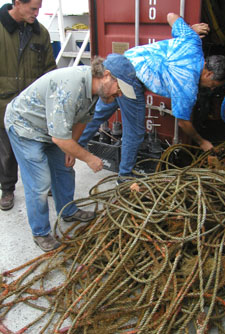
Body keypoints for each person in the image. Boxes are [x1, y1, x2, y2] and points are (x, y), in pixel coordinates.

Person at [78, 13, 225, 184]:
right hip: (130, 78)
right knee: (135, 132)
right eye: (214, 84)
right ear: (209, 73)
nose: (211, 88)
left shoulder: (193, 41)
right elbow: (183, 122)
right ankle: (124, 177)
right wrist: (202, 142)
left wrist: (190, 29)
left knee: (98, 114)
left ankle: (73, 147)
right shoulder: (187, 85)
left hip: (117, 63)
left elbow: (171, 16)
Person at [4, 57, 136, 252]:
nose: (119, 95)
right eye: (120, 89)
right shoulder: (70, 87)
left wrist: (72, 146)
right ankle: (40, 232)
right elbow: (59, 139)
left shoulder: (94, 92)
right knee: (39, 182)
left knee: (65, 170)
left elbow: (82, 120)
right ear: (107, 76)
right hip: (25, 126)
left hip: (51, 129)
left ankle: (68, 211)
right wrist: (89, 158)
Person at [0, 0, 56, 211]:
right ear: (17, 3)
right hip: (3, 103)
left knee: (42, 146)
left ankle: (46, 183)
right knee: (6, 152)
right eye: (33, 8)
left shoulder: (40, 32)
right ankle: (7, 189)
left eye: (39, 7)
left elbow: (50, 70)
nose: (37, 13)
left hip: (33, 106)